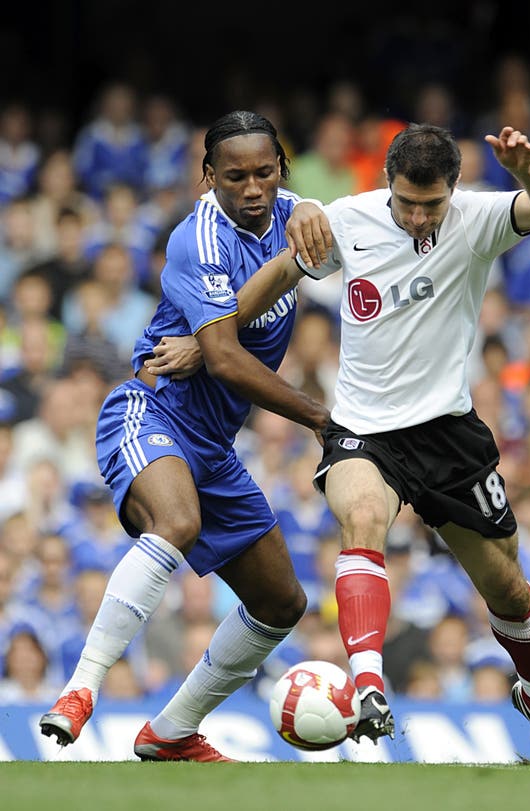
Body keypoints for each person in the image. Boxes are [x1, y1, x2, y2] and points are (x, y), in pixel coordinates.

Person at [242, 122, 530, 761]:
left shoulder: (478, 217)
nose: (417, 216)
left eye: (432, 204)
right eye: (406, 202)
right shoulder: (346, 221)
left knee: (509, 591)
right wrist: (215, 332)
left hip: (448, 433)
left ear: (453, 192)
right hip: (364, 428)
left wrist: (524, 170)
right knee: (363, 517)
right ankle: (369, 684)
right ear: (387, 185)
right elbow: (280, 276)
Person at [38, 110, 330, 762]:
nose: (252, 187)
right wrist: (320, 417)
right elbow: (224, 356)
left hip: (215, 445)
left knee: (281, 600)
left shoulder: (297, 213)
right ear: (209, 177)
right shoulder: (197, 237)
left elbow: (345, 229)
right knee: (176, 520)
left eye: (264, 172)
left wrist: (311, 204)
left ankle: (171, 731)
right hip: (153, 411)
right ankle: (80, 690)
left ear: (281, 169)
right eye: (235, 176)